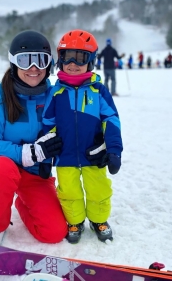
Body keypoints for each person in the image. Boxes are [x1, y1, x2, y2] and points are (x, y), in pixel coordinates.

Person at [0, 30, 67, 252]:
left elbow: (71, 130)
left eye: (40, 60)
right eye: (25, 60)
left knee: (54, 233)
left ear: (49, 64)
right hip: (4, 170)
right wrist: (27, 153)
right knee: (0, 166)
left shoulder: (56, 95)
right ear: (14, 63)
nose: (33, 68)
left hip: (36, 174)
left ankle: (22, 202)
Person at [43, 29, 123, 244]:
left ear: (91, 60)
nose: (72, 62)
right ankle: (75, 221)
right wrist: (46, 151)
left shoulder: (98, 90)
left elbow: (112, 120)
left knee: (98, 188)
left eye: (80, 57)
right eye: (66, 56)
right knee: (68, 190)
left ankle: (98, 220)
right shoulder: (56, 92)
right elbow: (48, 124)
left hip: (94, 153)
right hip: (65, 154)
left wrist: (114, 149)